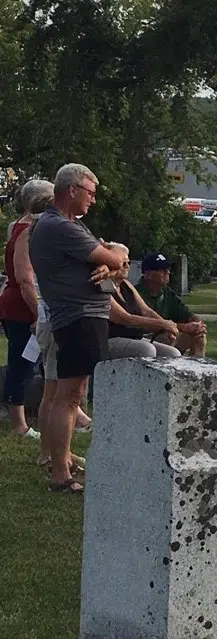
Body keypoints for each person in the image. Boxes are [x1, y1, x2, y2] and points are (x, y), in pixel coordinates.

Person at [29, 163, 127, 494]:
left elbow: (115, 258)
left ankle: (63, 461)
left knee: (72, 394)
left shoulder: (71, 226)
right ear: (72, 190)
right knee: (68, 397)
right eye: (90, 193)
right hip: (78, 318)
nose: (93, 201)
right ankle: (60, 473)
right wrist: (110, 261)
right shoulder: (59, 226)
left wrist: (107, 262)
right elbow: (116, 258)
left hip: (82, 317)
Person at [1, 179, 53, 438]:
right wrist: (38, 313)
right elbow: (24, 278)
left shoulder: (23, 227)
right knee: (22, 363)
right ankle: (18, 423)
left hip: (26, 303)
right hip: (22, 306)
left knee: (43, 359)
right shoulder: (26, 230)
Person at [105, 251, 182, 360]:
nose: (127, 266)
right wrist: (162, 324)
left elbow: (146, 311)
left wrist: (168, 329)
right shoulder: (104, 285)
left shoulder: (126, 284)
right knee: (146, 349)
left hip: (134, 338)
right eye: (122, 263)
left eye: (128, 262)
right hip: (110, 339)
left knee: (172, 353)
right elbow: (125, 318)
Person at [135, 253, 207, 355]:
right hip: (145, 338)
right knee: (167, 338)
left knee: (199, 336)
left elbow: (186, 314)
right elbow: (146, 325)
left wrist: (198, 324)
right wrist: (183, 327)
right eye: (162, 270)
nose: (167, 272)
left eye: (168, 269)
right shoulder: (136, 293)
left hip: (169, 332)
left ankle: (197, 368)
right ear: (148, 274)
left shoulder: (167, 292)